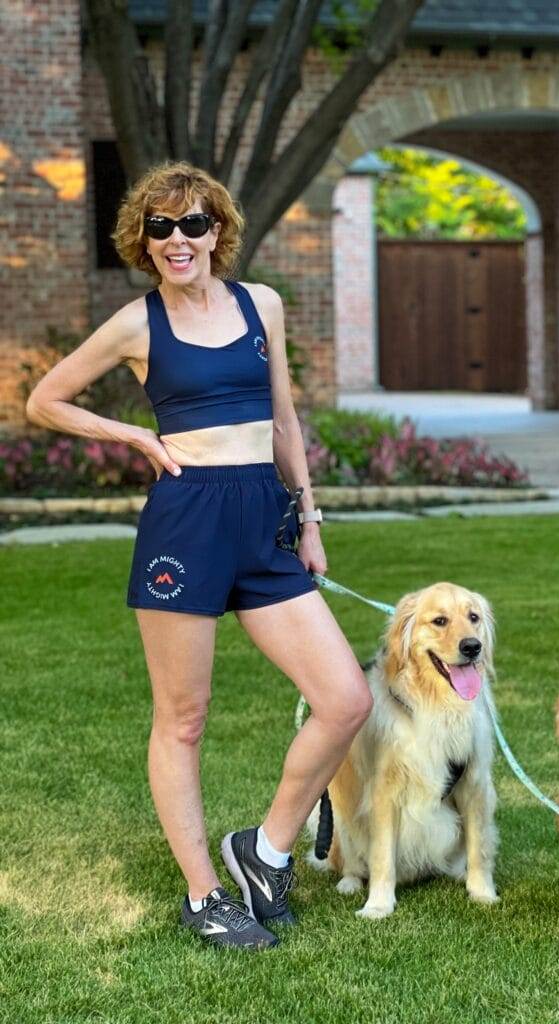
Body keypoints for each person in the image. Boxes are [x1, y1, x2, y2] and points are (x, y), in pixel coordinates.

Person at [26, 161, 373, 951]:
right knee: (183, 719)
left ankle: (266, 850)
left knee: (346, 698)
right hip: (185, 524)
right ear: (143, 241)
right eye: (160, 227)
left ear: (218, 231)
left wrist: (309, 519)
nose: (177, 240)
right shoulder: (136, 324)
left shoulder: (263, 306)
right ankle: (203, 894)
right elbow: (43, 399)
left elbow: (283, 419)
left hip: (263, 517)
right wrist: (133, 435)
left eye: (192, 224)